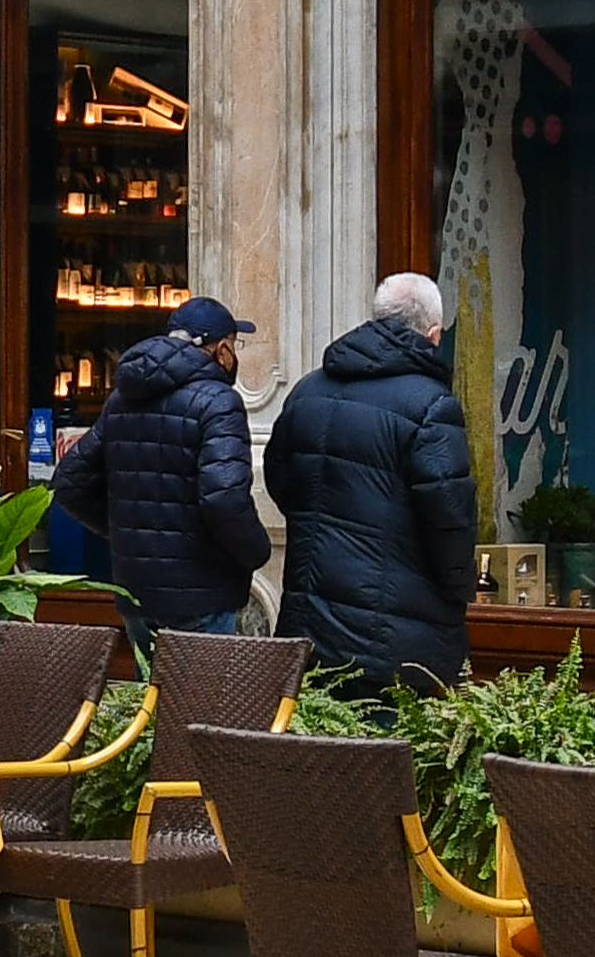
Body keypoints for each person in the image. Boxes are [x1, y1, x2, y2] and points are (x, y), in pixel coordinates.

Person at [264, 271, 478, 697]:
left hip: (310, 623)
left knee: (316, 737)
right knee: (389, 736)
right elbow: (450, 519)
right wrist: (460, 590)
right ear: (434, 334)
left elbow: (280, 481)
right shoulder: (431, 405)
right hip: (398, 636)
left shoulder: (307, 391)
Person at [50, 294, 268, 656]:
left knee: (149, 690)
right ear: (221, 350)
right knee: (200, 692)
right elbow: (224, 497)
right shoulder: (218, 401)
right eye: (234, 343)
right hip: (201, 592)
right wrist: (256, 551)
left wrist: (127, 531)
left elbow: (70, 481)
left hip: (137, 591)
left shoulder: (122, 399)